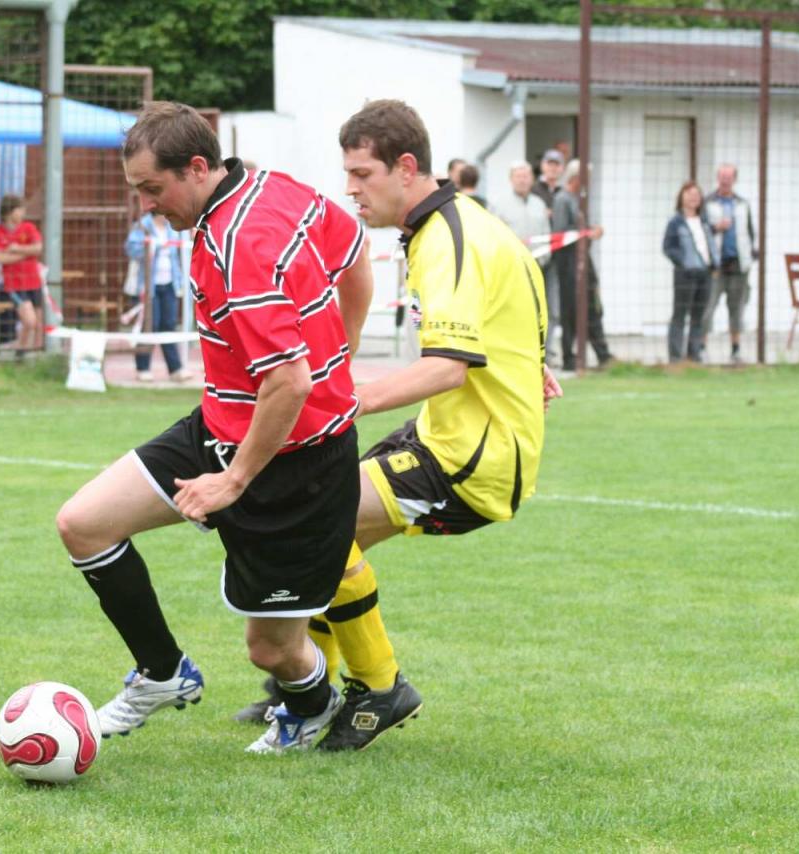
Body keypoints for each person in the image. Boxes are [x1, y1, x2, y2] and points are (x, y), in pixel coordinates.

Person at [238, 99, 561, 752]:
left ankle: (377, 688)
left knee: (316, 522)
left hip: (471, 458)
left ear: (406, 168)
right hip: (448, 436)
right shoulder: (457, 225)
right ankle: (305, 685)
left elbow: (447, 367)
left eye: (362, 174)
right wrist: (530, 366)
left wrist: (345, 400)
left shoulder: (448, 240)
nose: (350, 189)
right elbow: (515, 303)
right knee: (321, 536)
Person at [54, 101, 374, 754]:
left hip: (299, 468)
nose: (146, 206)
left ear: (197, 168)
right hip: (220, 427)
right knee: (83, 524)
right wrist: (342, 352)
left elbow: (290, 382)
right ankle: (163, 673)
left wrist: (232, 481)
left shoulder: (240, 245)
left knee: (271, 651)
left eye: (153, 189)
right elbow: (354, 250)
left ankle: (313, 705)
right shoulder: (271, 187)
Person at [552, 159, 614, 371]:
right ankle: (569, 357)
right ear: (575, 178)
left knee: (592, 306)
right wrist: (586, 232)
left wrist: (591, 230)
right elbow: (561, 233)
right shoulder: (562, 199)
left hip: (583, 259)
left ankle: (603, 354)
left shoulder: (579, 200)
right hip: (569, 262)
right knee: (570, 310)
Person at [124, 212, 192, 382]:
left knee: (168, 325)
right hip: (148, 286)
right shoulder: (143, 226)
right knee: (150, 325)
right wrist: (151, 246)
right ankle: (143, 368)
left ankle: (175, 369)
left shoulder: (173, 227)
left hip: (170, 284)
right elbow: (131, 250)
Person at [702, 164, 756, 364]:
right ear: (718, 178)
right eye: (722, 176)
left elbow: (749, 232)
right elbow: (701, 230)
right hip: (716, 266)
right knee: (708, 307)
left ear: (735, 179)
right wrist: (716, 228)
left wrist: (750, 255)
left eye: (729, 177)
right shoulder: (708, 202)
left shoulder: (742, 204)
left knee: (737, 308)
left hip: (738, 265)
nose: (725, 180)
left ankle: (735, 349)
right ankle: (701, 348)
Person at [662, 181, 717, 363]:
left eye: (697, 194)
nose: (694, 198)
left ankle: (694, 355)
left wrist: (714, 264)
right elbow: (668, 247)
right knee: (680, 314)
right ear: (682, 197)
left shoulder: (704, 221)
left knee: (699, 316)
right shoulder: (675, 222)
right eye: (689, 194)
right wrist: (683, 261)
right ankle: (676, 357)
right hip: (685, 274)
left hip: (704, 273)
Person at [0, 194, 44, 353]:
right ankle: (20, 348)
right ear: (9, 212)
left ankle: (29, 352)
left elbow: (38, 248)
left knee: (38, 323)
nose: (23, 213)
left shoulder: (28, 227)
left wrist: (16, 249)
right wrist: (25, 255)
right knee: (29, 321)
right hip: (15, 284)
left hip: (33, 281)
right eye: (19, 209)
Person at [532, 149, 566, 366]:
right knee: (532, 307)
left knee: (553, 308)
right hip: (535, 257)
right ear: (543, 166)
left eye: (557, 164)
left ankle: (548, 350)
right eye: (549, 163)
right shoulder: (533, 191)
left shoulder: (565, 192)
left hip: (557, 258)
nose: (553, 168)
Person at [493, 161, 553, 273]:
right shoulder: (499, 205)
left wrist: (544, 257)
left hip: (537, 264)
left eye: (525, 176)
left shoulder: (539, 204)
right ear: (511, 179)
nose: (522, 180)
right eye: (518, 176)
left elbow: (546, 233)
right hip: (510, 266)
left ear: (532, 179)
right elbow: (493, 235)